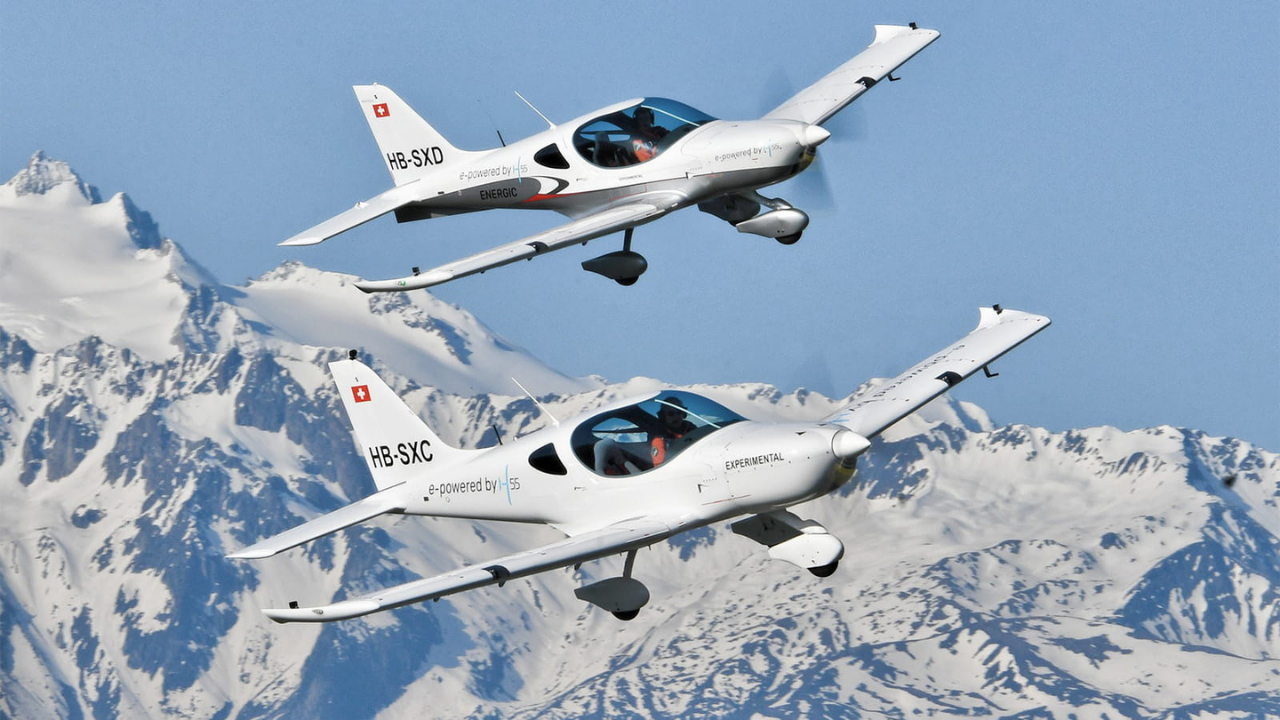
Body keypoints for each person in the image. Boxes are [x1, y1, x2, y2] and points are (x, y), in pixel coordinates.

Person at [650, 397, 695, 467]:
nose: (676, 416)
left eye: (679, 412)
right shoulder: (660, 440)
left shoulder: (691, 428)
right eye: (671, 413)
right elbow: (660, 467)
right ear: (663, 416)